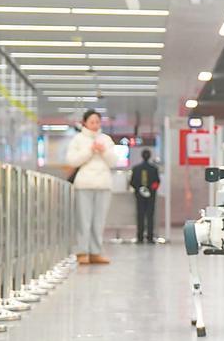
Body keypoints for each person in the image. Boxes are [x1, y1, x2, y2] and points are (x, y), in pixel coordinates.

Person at [65, 109, 120, 265]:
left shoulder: (106, 139)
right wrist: (90, 150)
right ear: (85, 123)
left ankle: (96, 252)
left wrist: (103, 151)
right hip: (84, 184)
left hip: (103, 184)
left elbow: (114, 162)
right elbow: (72, 160)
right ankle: (82, 251)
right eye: (92, 122)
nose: (95, 125)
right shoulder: (78, 139)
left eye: (97, 122)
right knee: (84, 219)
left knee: (99, 220)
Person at [129, 149, 160, 243]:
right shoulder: (154, 169)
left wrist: (139, 190)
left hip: (139, 196)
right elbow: (157, 182)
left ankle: (140, 237)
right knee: (150, 216)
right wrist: (150, 191)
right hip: (151, 196)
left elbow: (132, 182)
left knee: (140, 215)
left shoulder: (136, 168)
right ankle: (150, 237)